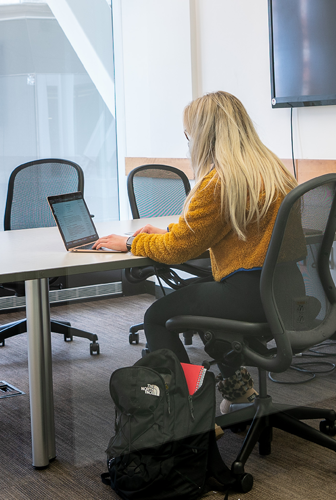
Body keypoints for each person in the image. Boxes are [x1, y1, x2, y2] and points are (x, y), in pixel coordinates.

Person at [93, 91, 297, 413]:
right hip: (285, 291)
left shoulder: (220, 181)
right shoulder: (273, 171)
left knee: (159, 316)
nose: (188, 142)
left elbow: (177, 250)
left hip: (249, 295)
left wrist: (130, 243)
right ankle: (239, 392)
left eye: (189, 135)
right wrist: (169, 233)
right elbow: (210, 233)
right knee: (193, 297)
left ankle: (187, 405)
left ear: (203, 135)